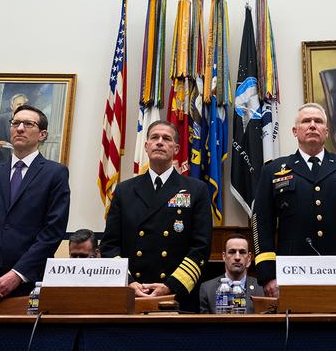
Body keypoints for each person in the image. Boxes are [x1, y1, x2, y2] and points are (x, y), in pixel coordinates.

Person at [252, 103, 336, 298]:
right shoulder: (273, 170)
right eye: (306, 121)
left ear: (327, 131)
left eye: (319, 121)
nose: (312, 125)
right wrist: (268, 275)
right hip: (293, 273)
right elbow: (261, 225)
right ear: (295, 131)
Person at [0, 104, 70, 300]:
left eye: (28, 124)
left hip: (28, 286)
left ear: (42, 135)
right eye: (15, 123)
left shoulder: (55, 173)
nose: (19, 128)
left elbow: (52, 231)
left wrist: (18, 273)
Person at [100, 120, 212, 311]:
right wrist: (127, 282)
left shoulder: (196, 189)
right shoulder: (124, 190)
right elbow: (109, 245)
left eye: (166, 138)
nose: (160, 142)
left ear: (176, 148)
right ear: (146, 146)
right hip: (132, 294)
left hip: (176, 296)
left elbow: (201, 247)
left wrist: (171, 286)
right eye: (154, 138)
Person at [199, 234, 264, 314]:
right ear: (224, 256)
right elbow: (204, 324)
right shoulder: (207, 289)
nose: (237, 257)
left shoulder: (262, 289)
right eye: (232, 252)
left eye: (242, 252)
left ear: (249, 258)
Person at [0, 93, 29, 166]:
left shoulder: (30, 122)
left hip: (23, 163)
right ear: (12, 106)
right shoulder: (1, 119)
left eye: (24, 104)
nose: (22, 107)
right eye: (19, 104)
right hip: (1, 162)